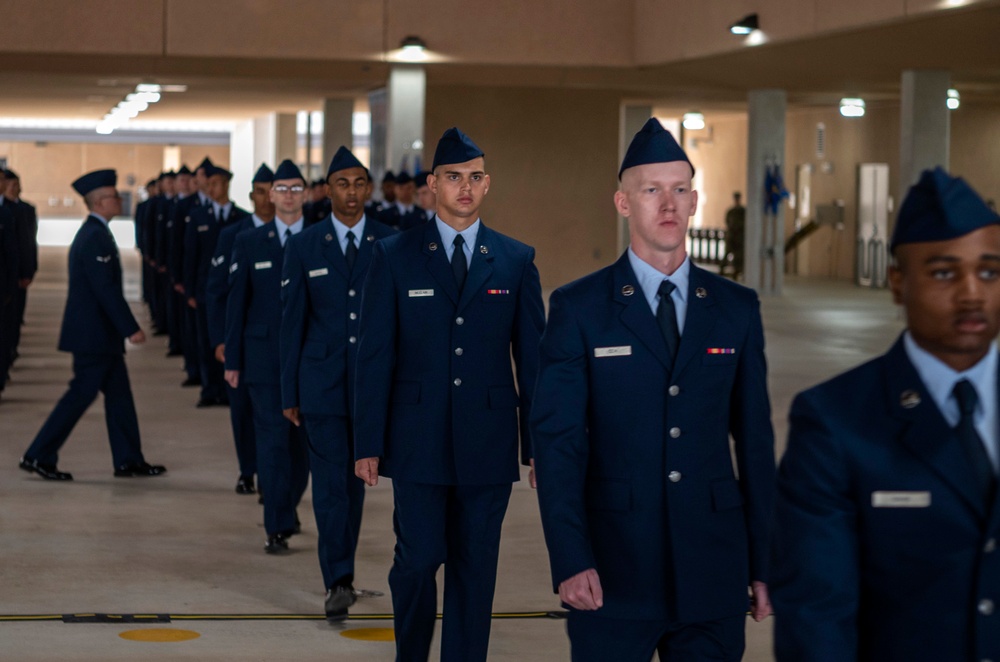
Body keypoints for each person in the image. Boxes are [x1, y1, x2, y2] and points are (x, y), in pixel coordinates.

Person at [532, 118, 775, 662]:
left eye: (680, 189)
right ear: (623, 203)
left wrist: (764, 563)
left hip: (712, 568)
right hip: (613, 570)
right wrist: (570, 557)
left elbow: (755, 444)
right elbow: (558, 444)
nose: (668, 203)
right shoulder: (580, 308)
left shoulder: (736, 308)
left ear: (694, 202)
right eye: (651, 190)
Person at [771, 167, 1000, 661]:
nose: (972, 294)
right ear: (898, 282)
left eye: (989, 272)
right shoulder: (836, 420)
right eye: (944, 272)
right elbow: (816, 616)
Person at [354, 127, 545, 662]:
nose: (465, 187)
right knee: (417, 559)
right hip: (416, 441)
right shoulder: (393, 255)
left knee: (475, 566)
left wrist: (538, 446)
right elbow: (373, 356)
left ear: (487, 186)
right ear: (433, 185)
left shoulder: (514, 259)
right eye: (454, 177)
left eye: (475, 178)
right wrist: (367, 441)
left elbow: (533, 364)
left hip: (487, 443)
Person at [280, 146, 395, 620]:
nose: (351, 192)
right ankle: (338, 580)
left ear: (369, 189)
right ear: (327, 191)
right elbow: (292, 323)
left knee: (356, 487)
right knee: (329, 488)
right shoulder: (305, 246)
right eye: (341, 184)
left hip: (372, 388)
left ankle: (342, 572)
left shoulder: (391, 243)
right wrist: (289, 391)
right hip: (322, 387)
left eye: (359, 183)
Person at [19, 169, 166, 480]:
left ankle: (128, 460)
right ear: (99, 202)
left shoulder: (97, 232)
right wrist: (130, 327)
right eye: (114, 196)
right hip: (93, 336)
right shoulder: (94, 236)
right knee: (79, 396)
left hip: (100, 336)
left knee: (120, 397)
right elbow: (106, 290)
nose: (119, 200)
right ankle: (38, 454)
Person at [225, 159, 310, 554]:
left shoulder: (320, 239)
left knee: (303, 449)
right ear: (270, 195)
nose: (289, 195)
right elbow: (236, 303)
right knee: (272, 444)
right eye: (283, 189)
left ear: (306, 194)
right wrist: (233, 360)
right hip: (264, 361)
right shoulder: (249, 242)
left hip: (312, 362)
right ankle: (276, 524)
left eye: (297, 188)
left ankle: (287, 504)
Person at [206, 163, 275, 495]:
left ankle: (274, 477)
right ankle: (248, 470)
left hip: (279, 343)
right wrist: (220, 339)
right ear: (251, 196)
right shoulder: (234, 234)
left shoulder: (297, 235)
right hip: (241, 339)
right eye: (260, 192)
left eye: (272, 191)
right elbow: (217, 292)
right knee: (243, 410)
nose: (267, 199)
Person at [184, 163, 248, 407]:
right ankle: (209, 389)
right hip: (205, 290)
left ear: (226, 184)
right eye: (208, 184)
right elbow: (190, 255)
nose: (211, 188)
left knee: (231, 341)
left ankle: (227, 389)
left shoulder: (241, 218)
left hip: (234, 290)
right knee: (206, 340)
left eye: (215, 183)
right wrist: (189, 289)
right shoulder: (198, 217)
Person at [724, 191, 745, 279]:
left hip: (739, 237)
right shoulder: (731, 211)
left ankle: (736, 272)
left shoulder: (742, 212)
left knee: (738, 256)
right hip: (732, 236)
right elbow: (727, 222)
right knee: (727, 253)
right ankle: (723, 270)